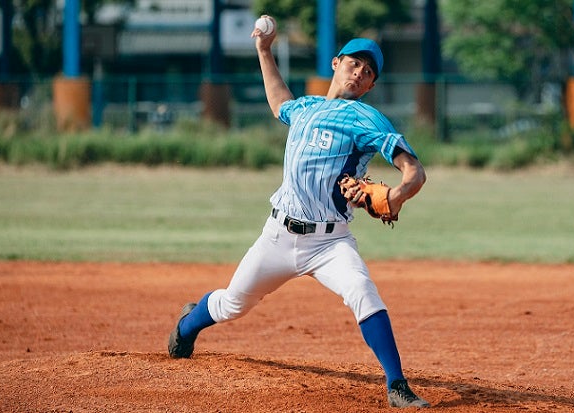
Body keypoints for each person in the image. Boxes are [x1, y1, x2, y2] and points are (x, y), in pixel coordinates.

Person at [167, 16, 430, 409]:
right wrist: (264, 49)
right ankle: (187, 325)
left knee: (361, 290)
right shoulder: (305, 108)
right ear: (336, 63)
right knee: (231, 304)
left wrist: (397, 194)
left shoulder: (367, 119)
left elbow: (415, 172)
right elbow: (278, 101)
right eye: (355, 62)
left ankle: (397, 386)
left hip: (330, 242)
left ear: (372, 85)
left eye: (369, 71)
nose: (360, 72)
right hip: (277, 235)